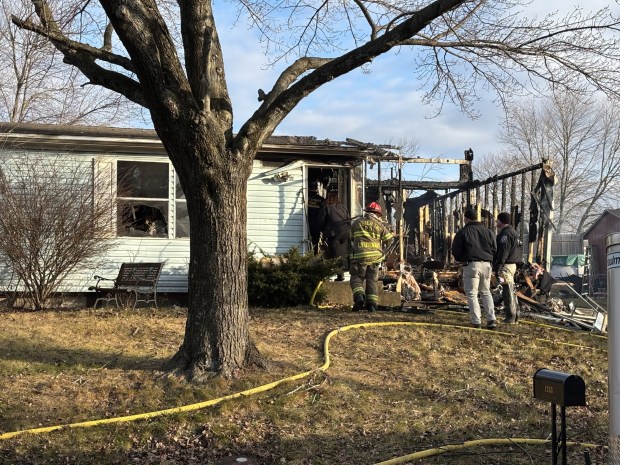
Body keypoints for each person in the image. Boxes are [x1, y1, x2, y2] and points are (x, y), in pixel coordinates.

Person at [451, 207, 497, 329]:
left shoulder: (463, 232)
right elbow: (495, 248)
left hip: (472, 265)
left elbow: (456, 250)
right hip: (487, 264)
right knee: (486, 292)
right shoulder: (488, 232)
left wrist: (461, 259)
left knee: (472, 293)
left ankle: (476, 321)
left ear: (466, 218)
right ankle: (491, 319)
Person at [349, 201, 394, 312]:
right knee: (372, 281)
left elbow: (350, 237)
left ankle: (359, 296)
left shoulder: (356, 223)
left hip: (359, 257)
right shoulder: (380, 225)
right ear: (378, 214)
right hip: (375, 259)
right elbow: (389, 239)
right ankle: (372, 305)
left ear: (367, 212)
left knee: (356, 279)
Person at [493, 212, 522, 324]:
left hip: (506, 265)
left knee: (507, 290)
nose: (496, 222)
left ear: (501, 221)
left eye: (497, 220)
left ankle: (510, 317)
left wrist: (498, 266)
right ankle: (515, 315)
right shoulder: (514, 233)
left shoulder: (505, 235)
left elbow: (503, 252)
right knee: (511, 288)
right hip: (513, 265)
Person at [318, 191, 351, 281]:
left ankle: (338, 275)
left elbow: (321, 221)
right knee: (342, 254)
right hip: (345, 233)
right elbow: (348, 220)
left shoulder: (326, 207)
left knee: (335, 254)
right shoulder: (343, 207)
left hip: (333, 233)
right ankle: (344, 272)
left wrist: (322, 231)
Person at [307, 181, 325, 254]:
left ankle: (307, 255)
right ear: (316, 188)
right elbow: (323, 213)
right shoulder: (321, 199)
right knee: (315, 241)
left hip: (307, 223)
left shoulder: (306, 197)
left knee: (306, 240)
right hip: (317, 224)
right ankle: (314, 255)